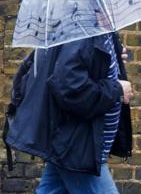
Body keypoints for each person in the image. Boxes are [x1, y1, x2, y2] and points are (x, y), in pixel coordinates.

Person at [5, 32, 133, 194]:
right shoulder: (82, 34)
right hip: (76, 145)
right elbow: (70, 88)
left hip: (73, 143)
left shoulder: (99, 32)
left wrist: (111, 56)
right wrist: (117, 89)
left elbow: (87, 69)